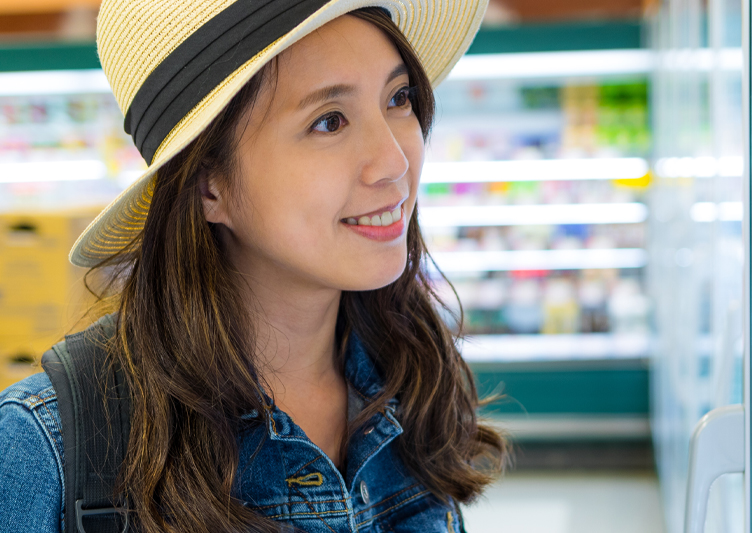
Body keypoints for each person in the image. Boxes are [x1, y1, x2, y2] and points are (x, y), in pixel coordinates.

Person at [0, 1, 508, 532]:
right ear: (208, 186)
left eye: (398, 98)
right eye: (329, 121)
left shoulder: (414, 380)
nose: (395, 161)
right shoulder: (45, 449)